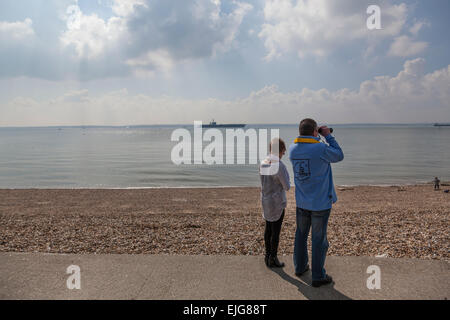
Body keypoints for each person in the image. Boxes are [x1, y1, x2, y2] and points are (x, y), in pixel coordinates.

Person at [289, 118, 344, 287]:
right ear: (315, 132)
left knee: (301, 235)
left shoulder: (292, 149)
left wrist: (316, 136)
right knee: (319, 240)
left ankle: (299, 267)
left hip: (302, 201)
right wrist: (327, 135)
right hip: (320, 203)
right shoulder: (320, 148)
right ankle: (318, 276)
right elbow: (339, 155)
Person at [259, 138, 290, 268]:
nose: (283, 155)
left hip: (266, 200)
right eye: (283, 152)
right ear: (281, 150)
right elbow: (287, 186)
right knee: (275, 231)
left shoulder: (263, 162)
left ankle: (267, 256)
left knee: (268, 229)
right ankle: (273, 258)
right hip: (277, 202)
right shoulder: (279, 165)